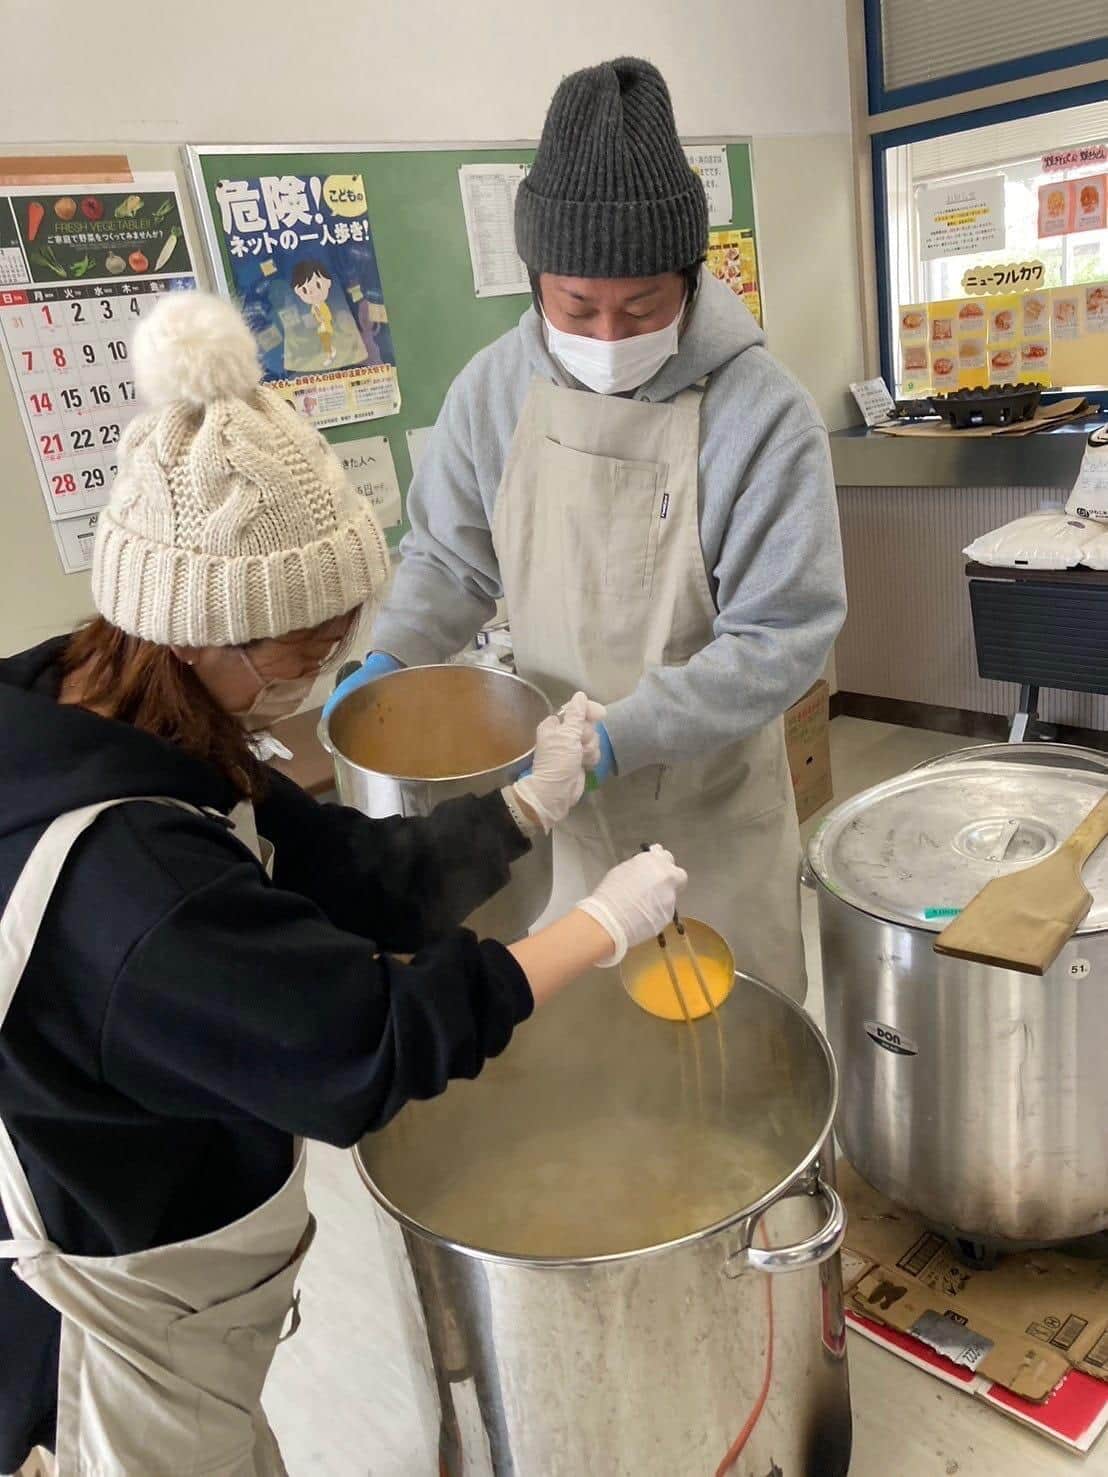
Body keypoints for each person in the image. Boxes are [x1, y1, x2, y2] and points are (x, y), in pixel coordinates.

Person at [0, 291, 687, 1477]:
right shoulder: (128, 887)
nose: (323, 666)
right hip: (108, 1319)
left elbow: (340, 877)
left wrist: (528, 806)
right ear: (203, 628)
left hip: (166, 1214)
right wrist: (597, 929)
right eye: (306, 645)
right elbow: (362, 1044)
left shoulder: (110, 700)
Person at [327, 57, 847, 1000]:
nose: (608, 337)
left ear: (691, 278)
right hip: (553, 808)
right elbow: (449, 556)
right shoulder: (494, 390)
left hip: (709, 811)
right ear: (533, 282)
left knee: (735, 1050)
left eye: (641, 307)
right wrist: (391, 657)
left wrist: (625, 735)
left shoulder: (762, 414)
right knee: (592, 1058)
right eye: (577, 307)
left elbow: (784, 638)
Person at [290, 258, 336, 364]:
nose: (311, 293)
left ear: (328, 283)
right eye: (305, 290)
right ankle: (331, 351)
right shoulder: (313, 306)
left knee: (326, 343)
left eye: (318, 285)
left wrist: (320, 319)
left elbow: (327, 317)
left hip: (325, 327)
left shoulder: (321, 305)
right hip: (320, 328)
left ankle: (329, 357)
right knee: (325, 342)